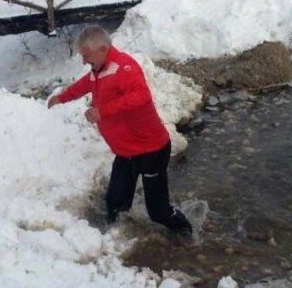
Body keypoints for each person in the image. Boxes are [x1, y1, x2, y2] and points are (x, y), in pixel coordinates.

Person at [47, 24, 192, 235]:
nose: (84, 61)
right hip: (126, 152)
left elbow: (141, 96)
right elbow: (85, 84)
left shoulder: (124, 67)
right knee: (114, 203)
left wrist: (102, 111)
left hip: (150, 150)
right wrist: (62, 97)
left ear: (103, 49)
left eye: (87, 55)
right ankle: (114, 237)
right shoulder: (99, 69)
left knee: (158, 211)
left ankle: (185, 230)